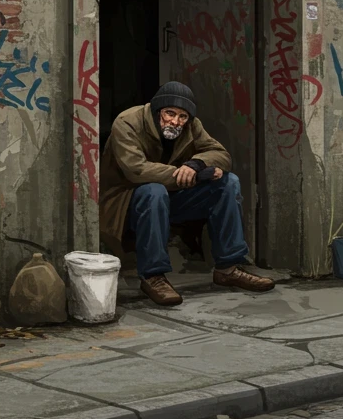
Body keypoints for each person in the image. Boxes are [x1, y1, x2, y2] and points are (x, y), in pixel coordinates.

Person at [99, 81, 275, 306]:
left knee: (228, 182)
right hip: (126, 202)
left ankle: (228, 267)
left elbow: (221, 154)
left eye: (182, 116)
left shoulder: (192, 125)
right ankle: (153, 276)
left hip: (170, 198)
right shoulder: (127, 122)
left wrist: (197, 164)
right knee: (154, 190)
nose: (175, 121)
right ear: (157, 110)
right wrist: (188, 174)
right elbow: (137, 170)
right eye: (169, 113)